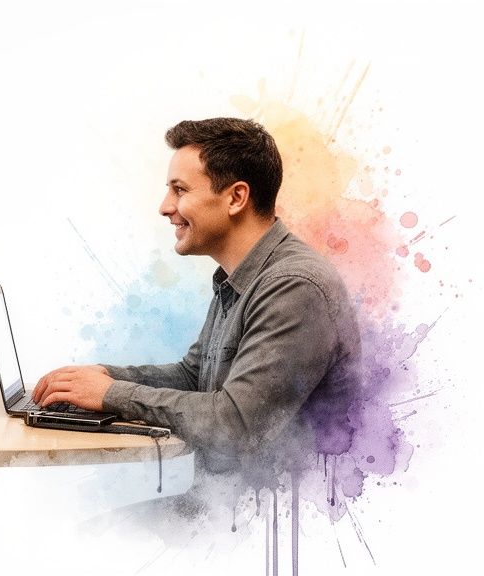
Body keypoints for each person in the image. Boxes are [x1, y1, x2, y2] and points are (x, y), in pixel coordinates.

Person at [33, 117, 361, 475]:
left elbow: (237, 424)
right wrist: (102, 378)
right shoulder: (242, 277)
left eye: (180, 190)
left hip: (263, 517)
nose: (164, 206)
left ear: (236, 197)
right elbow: (195, 376)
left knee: (83, 531)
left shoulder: (294, 287)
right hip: (228, 506)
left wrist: (112, 395)